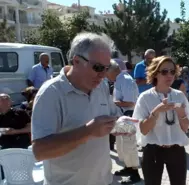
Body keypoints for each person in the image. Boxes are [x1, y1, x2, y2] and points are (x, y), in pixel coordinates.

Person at [31, 32, 136, 185]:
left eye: (106, 68)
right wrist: (88, 131)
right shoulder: (51, 93)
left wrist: (119, 124)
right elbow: (39, 151)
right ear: (76, 61)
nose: (103, 75)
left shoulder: (101, 86)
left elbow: (110, 119)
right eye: (98, 67)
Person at [133, 56, 189, 185]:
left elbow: (186, 128)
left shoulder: (179, 96)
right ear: (155, 73)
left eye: (172, 71)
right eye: (164, 71)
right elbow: (143, 130)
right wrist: (156, 111)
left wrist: (181, 113)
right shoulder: (145, 97)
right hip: (153, 150)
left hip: (176, 149)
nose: (169, 75)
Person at [106, 59, 141, 184]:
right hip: (120, 117)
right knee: (121, 146)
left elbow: (130, 102)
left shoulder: (125, 80)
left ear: (112, 70)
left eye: (106, 71)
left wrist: (111, 102)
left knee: (128, 146)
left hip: (128, 116)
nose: (105, 75)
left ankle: (135, 174)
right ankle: (128, 168)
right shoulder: (119, 79)